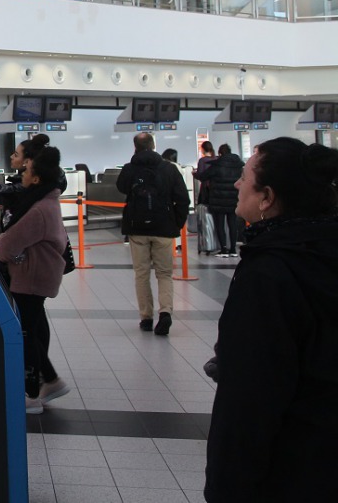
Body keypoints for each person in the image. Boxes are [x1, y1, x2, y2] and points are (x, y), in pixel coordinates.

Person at [204, 138, 338, 502]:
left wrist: (225, 487)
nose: (235, 183)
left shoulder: (269, 273)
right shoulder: (322, 252)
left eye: (245, 177)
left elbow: (250, 399)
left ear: (266, 198)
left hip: (291, 469)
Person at [0, 145, 73, 414]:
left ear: (36, 179)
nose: (22, 172)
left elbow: (5, 246)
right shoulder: (48, 202)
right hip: (38, 276)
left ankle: (30, 394)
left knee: (25, 334)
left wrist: (5, 248)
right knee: (34, 330)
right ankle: (51, 380)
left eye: (26, 170)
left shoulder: (39, 209)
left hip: (31, 279)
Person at [117, 132, 190, 335]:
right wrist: (176, 223)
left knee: (141, 274)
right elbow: (183, 199)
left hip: (137, 228)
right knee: (164, 273)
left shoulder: (130, 169)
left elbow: (121, 187)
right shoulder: (169, 169)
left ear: (135, 147)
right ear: (154, 145)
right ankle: (165, 313)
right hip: (164, 229)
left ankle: (146, 318)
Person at [196, 143, 244, 257]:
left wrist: (195, 174)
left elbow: (203, 176)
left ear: (220, 153)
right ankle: (233, 249)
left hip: (218, 199)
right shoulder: (238, 165)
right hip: (234, 199)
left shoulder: (217, 165)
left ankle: (224, 249)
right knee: (232, 224)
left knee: (220, 224)